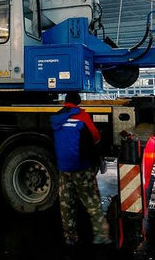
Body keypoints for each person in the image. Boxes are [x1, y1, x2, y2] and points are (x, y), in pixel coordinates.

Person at [50, 91, 111, 246]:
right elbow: (95, 137)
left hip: (64, 168)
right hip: (81, 167)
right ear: (78, 102)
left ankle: (70, 237)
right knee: (92, 202)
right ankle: (101, 235)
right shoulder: (82, 116)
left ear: (65, 101)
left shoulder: (56, 118)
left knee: (66, 204)